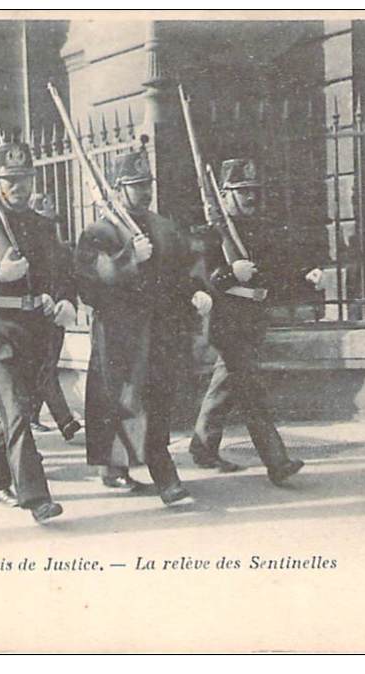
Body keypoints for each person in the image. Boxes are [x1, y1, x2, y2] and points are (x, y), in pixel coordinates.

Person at [74, 149, 212, 505]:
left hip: (161, 331)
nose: (145, 191)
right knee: (118, 400)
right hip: (119, 332)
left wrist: (197, 290)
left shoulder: (164, 226)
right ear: (119, 189)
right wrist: (130, 258)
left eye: (147, 184)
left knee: (158, 400)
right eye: (136, 185)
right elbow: (89, 284)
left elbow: (185, 268)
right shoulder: (98, 232)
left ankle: (159, 470)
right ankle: (117, 468)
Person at [0, 141, 76, 523]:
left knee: (11, 414)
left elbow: (60, 272)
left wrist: (64, 299)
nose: (18, 186)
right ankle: (36, 497)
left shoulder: (41, 225)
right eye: (10, 180)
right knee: (18, 414)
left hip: (33, 331)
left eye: (24, 179)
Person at [188, 158, 323, 483]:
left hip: (252, 321)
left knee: (227, 384)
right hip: (225, 322)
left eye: (254, 191)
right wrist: (227, 273)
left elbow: (277, 268)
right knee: (251, 392)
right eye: (242, 191)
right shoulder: (210, 233)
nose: (251, 198)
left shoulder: (259, 228)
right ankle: (277, 462)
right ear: (224, 195)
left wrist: (306, 275)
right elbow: (198, 277)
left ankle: (202, 446)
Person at [27, 192, 82, 441]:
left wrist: (67, 301)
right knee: (43, 369)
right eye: (43, 222)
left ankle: (34, 416)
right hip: (31, 319)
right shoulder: (24, 250)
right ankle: (65, 420)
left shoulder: (62, 251)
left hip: (55, 319)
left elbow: (69, 282)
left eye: (52, 223)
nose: (50, 228)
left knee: (45, 367)